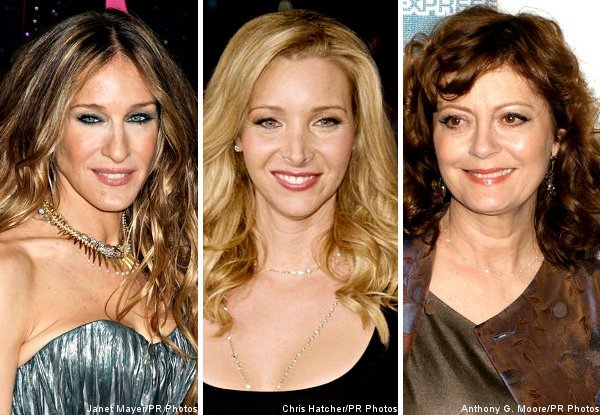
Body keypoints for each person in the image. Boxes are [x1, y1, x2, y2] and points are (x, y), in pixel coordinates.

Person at [403, 5, 600, 412]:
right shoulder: (386, 281)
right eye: (456, 120)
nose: (482, 147)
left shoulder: (592, 293)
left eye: (511, 118)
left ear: (557, 138)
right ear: (431, 136)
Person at [0, 9, 198, 413]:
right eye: (91, 118)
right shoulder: (12, 269)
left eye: (139, 118)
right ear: (45, 123)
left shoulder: (176, 259)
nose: (119, 150)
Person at [203, 9, 398, 413]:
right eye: (268, 122)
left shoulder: (405, 290)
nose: (297, 152)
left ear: (357, 134)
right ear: (235, 133)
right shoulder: (176, 283)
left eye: (325, 121)